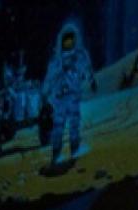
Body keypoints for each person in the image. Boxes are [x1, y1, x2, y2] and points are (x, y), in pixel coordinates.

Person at [41, 21, 96, 167]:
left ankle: (73, 150)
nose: (68, 43)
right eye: (66, 40)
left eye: (71, 40)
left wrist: (91, 80)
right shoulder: (57, 60)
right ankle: (58, 154)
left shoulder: (78, 56)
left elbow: (87, 70)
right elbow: (49, 77)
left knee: (72, 124)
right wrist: (45, 92)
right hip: (61, 98)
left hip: (71, 96)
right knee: (60, 126)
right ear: (62, 41)